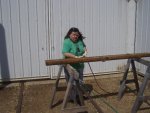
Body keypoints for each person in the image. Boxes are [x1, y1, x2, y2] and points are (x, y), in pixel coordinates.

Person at [62, 27, 87, 102]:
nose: (75, 36)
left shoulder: (80, 40)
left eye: (77, 35)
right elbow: (65, 52)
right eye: (73, 34)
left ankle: (79, 96)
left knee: (80, 80)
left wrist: (85, 51)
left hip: (80, 64)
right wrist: (75, 57)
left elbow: (84, 47)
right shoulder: (67, 41)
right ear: (69, 34)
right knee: (72, 82)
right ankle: (73, 98)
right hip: (70, 65)